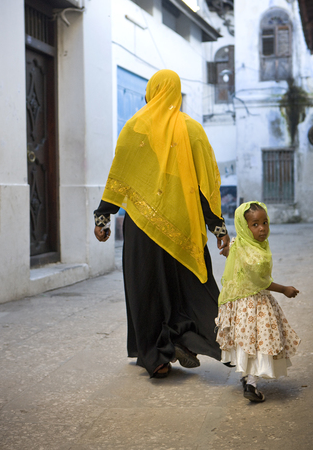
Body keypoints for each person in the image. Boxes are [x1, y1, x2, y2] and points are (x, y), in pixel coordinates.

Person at [94, 69, 230, 378]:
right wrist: (218, 229)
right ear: (177, 93)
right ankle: (188, 338)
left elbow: (120, 177)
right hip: (182, 227)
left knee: (146, 290)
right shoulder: (191, 129)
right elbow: (204, 187)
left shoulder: (135, 128)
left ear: (152, 92)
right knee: (187, 287)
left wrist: (103, 217)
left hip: (142, 227)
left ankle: (156, 355)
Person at [215, 201, 300, 402]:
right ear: (245, 227)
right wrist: (284, 289)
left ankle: (247, 379)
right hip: (254, 304)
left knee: (247, 343)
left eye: (265, 222)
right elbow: (262, 283)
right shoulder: (255, 255)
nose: (262, 228)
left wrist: (229, 247)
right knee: (259, 343)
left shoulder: (238, 244)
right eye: (255, 224)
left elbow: (232, 252)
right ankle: (251, 384)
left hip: (237, 305)